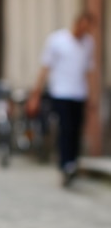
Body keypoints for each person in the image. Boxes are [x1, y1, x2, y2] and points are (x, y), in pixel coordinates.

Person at [28, 12, 97, 187]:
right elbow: (45, 68)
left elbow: (89, 71)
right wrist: (36, 94)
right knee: (65, 128)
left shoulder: (89, 44)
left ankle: (72, 163)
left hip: (79, 94)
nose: (85, 31)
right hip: (60, 92)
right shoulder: (57, 40)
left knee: (76, 129)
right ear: (76, 24)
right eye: (83, 27)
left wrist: (91, 95)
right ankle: (65, 163)